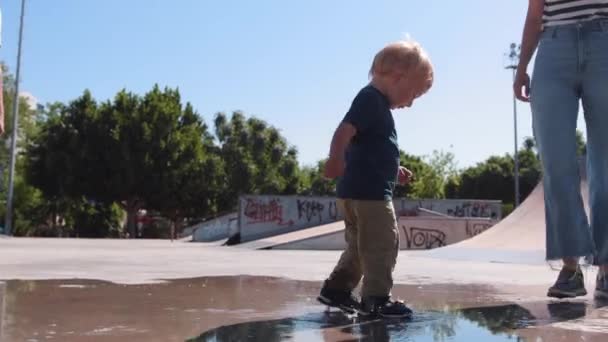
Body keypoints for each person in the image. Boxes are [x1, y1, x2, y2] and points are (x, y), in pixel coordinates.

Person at [317, 39, 433, 317]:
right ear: (397, 77)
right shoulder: (371, 100)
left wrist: (394, 168)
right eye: (413, 94)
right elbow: (344, 131)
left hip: (354, 192)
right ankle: (377, 299)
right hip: (370, 195)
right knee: (382, 244)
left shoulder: (374, 104)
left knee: (359, 247)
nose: (411, 103)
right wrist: (334, 160)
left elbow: (371, 147)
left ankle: (337, 290)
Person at [514, 0, 608, 300]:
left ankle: (607, 266)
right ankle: (570, 266)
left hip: (604, 42)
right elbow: (535, 12)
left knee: (606, 166)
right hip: (553, 48)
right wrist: (522, 67)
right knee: (556, 164)